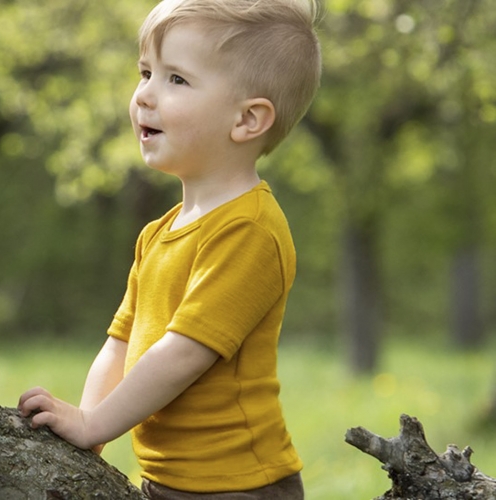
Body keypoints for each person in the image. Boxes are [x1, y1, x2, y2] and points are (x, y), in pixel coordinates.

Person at [18, 0, 321, 498]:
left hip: (239, 485)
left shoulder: (249, 231)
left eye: (176, 79)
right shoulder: (158, 233)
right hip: (169, 481)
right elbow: (120, 343)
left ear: (247, 119)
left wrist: (95, 424)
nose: (144, 96)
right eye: (145, 72)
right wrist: (85, 435)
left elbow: (182, 354)